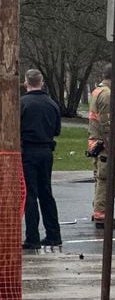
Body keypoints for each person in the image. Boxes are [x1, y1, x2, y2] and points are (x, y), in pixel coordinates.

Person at [20, 69, 62, 249]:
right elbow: (57, 130)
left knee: (30, 194)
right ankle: (53, 234)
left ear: (25, 83)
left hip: (28, 150)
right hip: (46, 151)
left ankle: (32, 237)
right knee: (46, 193)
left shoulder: (22, 104)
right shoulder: (52, 104)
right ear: (42, 82)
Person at [88, 65, 115, 228]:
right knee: (108, 180)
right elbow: (109, 125)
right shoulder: (108, 95)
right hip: (107, 146)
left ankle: (99, 211)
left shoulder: (99, 91)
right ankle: (102, 216)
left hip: (100, 144)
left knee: (103, 179)